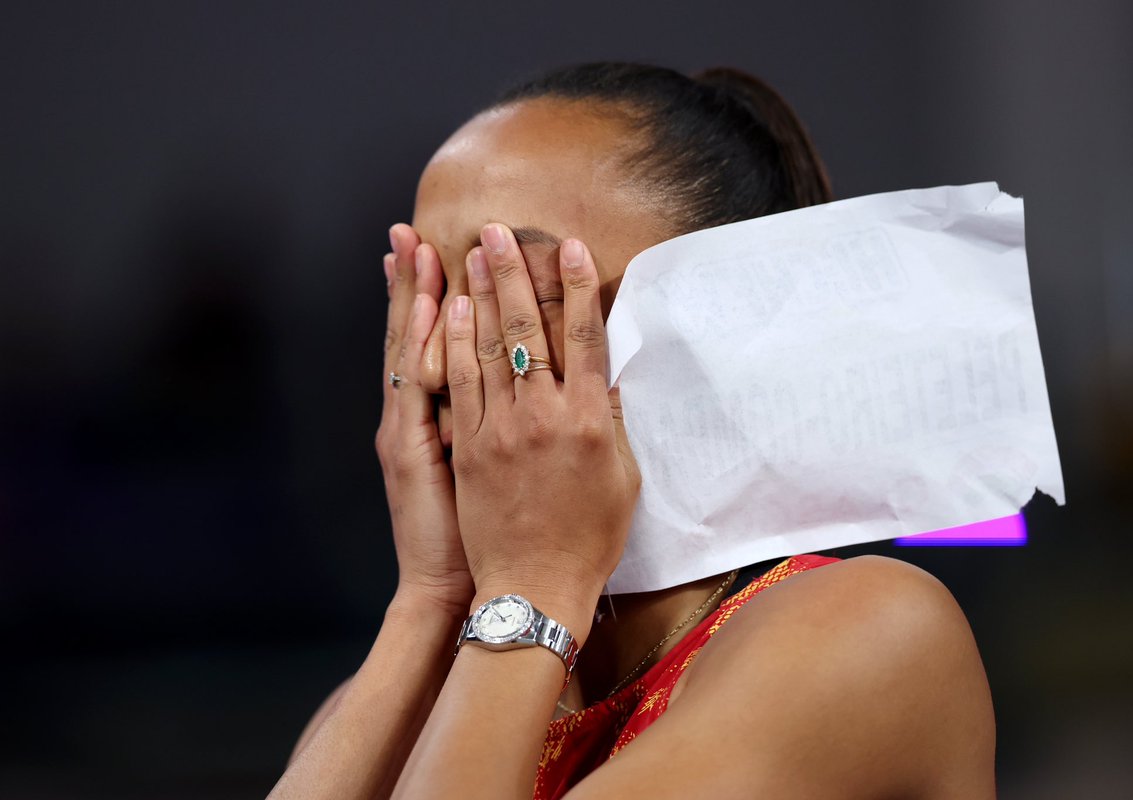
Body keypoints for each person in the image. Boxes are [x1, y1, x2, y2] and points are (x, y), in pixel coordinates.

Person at [268, 63, 996, 799]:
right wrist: (425, 603)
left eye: (514, 289)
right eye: (429, 299)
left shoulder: (869, 630)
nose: (429, 365)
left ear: (725, 331)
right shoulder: (388, 705)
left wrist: (534, 583)